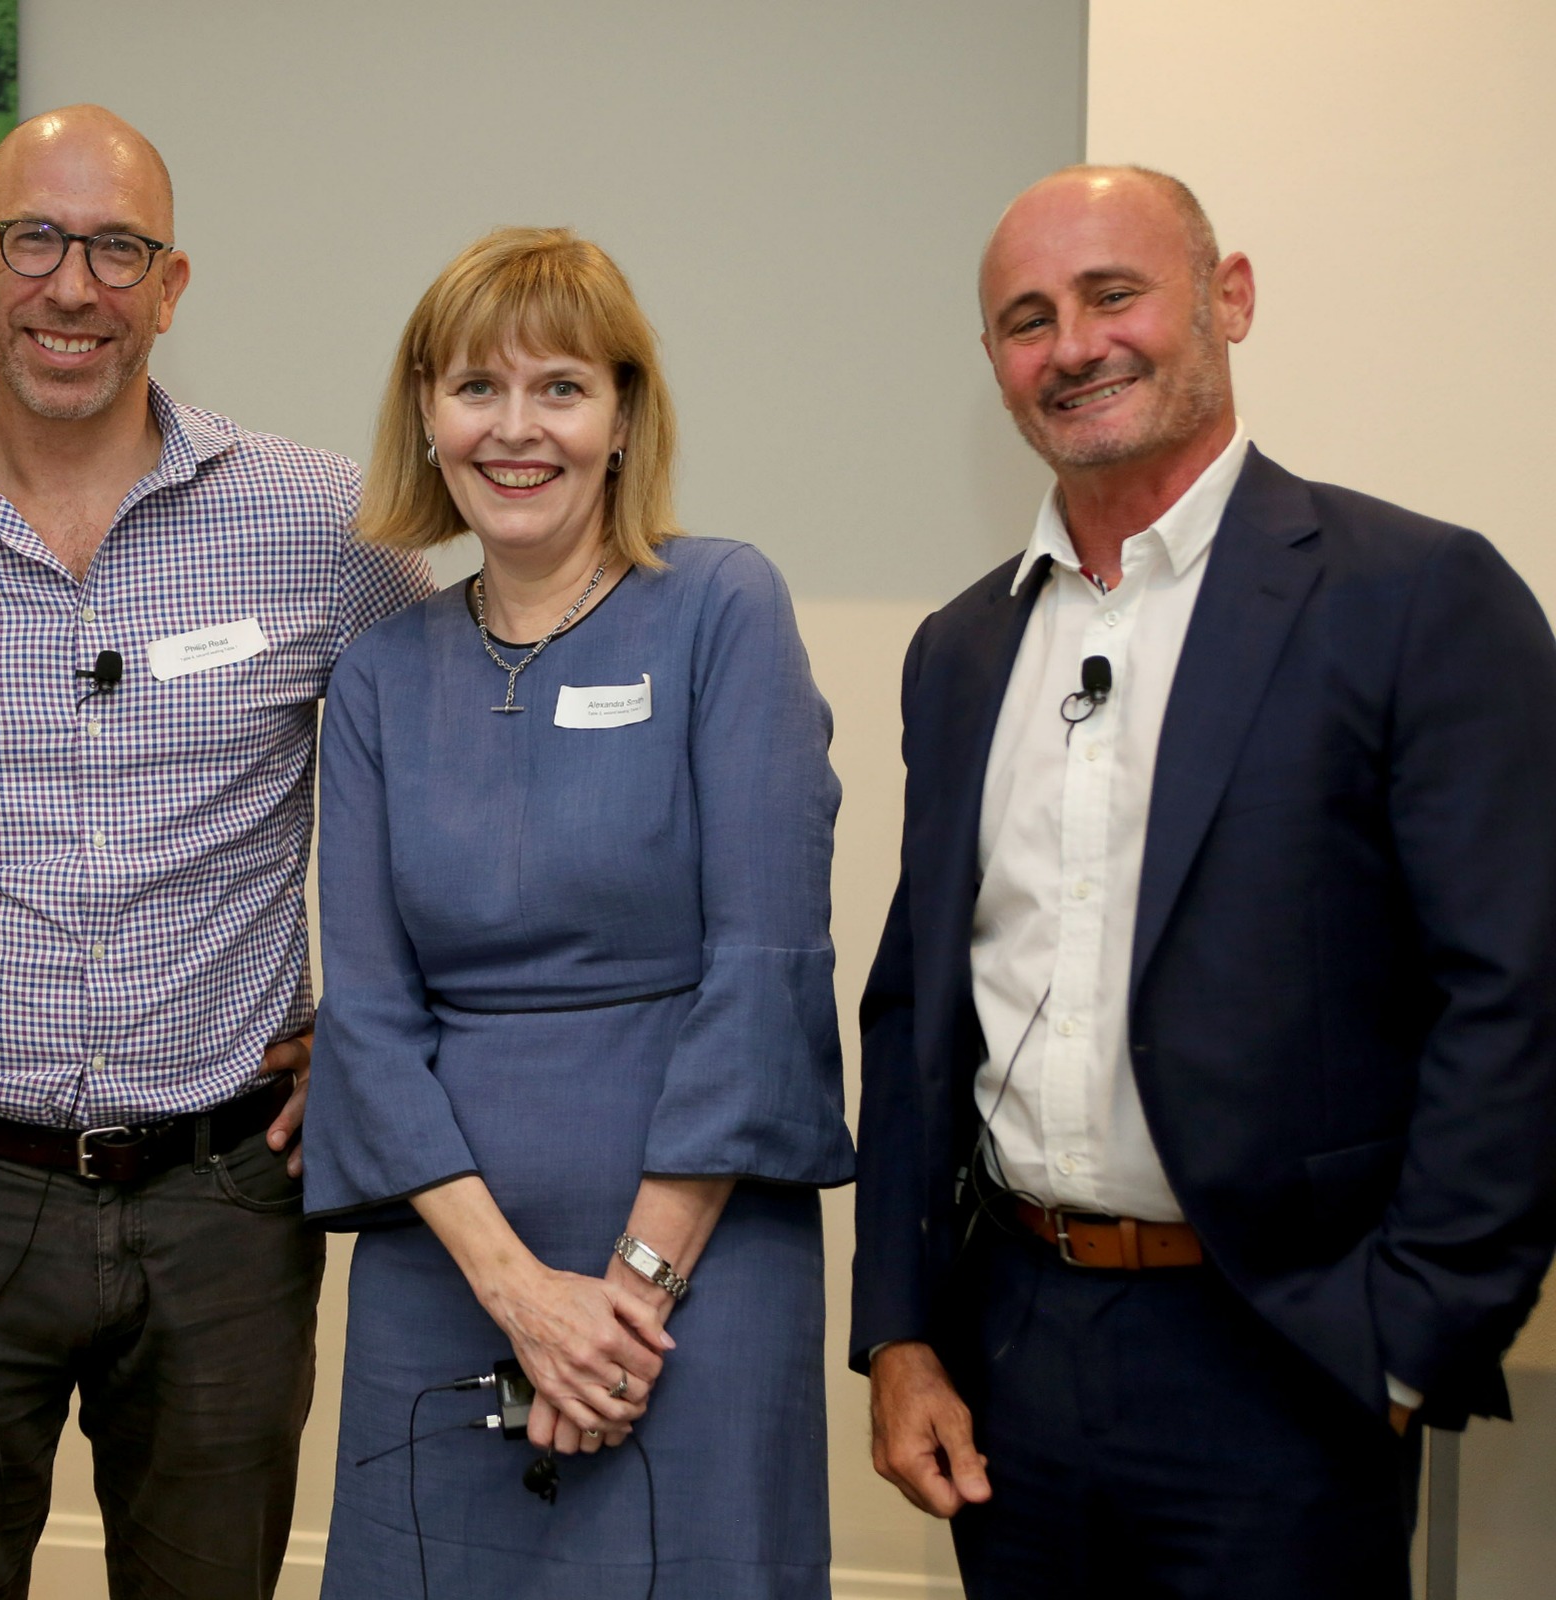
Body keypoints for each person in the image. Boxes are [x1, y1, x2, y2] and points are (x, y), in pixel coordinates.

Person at [0, 104, 432, 1599]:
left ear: (170, 290)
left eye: (118, 248)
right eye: (37, 240)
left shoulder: (322, 531)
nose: (74, 286)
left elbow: (444, 797)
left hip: (228, 1208)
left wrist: (368, 1030)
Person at [852, 164, 1556, 1597]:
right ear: (995, 364)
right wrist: (902, 1332)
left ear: (1226, 300)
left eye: (1115, 294)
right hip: (1014, 1353)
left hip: (1287, 1360)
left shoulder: (1413, 595)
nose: (1074, 345)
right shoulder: (963, 649)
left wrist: (1413, 1336)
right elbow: (918, 1004)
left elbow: (1518, 991)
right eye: (1027, 319)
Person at [302, 227, 854, 1598]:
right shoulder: (378, 672)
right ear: (425, 418)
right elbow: (367, 1019)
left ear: (624, 416)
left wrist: (628, 1296)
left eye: (561, 388)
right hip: (449, 1265)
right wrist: (520, 1295)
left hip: (692, 1268)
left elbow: (768, 964)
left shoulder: (722, 608)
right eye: (476, 388)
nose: (516, 428)